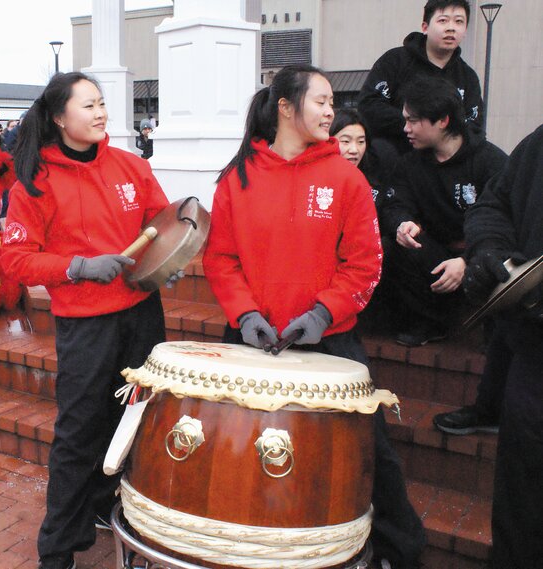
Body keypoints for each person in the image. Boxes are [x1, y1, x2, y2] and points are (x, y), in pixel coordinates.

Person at [202, 64, 426, 569]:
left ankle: (402, 553)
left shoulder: (345, 178)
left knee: (373, 454)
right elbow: (220, 258)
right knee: (241, 449)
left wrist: (325, 312)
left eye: (331, 102)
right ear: (285, 107)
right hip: (251, 340)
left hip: (330, 342)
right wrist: (244, 314)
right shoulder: (236, 179)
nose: (330, 110)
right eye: (320, 101)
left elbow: (366, 263)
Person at [0, 71, 170, 569]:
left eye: (101, 104)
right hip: (86, 324)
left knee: (139, 418)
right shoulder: (35, 182)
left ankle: (106, 505)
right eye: (88, 105)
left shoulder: (130, 166)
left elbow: (159, 224)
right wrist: (76, 266)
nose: (100, 113)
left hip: (141, 315)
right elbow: (15, 259)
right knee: (79, 431)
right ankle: (57, 548)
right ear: (58, 118)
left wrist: (171, 257)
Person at [457, 124, 543, 569]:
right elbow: (493, 204)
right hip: (532, 358)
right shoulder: (538, 144)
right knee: (521, 505)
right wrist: (492, 248)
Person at [381, 76, 506, 347]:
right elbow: (394, 204)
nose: (406, 129)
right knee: (392, 246)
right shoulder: (409, 165)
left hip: (480, 255)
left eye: (413, 121)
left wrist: (468, 260)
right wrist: (403, 223)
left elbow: (506, 223)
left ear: (443, 121)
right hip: (434, 255)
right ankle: (429, 322)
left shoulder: (491, 162)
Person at [357, 0, 481, 164]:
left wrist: (440, 137)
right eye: (443, 20)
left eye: (459, 21)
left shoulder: (468, 76)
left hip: (445, 166)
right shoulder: (394, 61)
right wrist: (417, 125)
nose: (451, 28)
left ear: (465, 30)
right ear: (425, 27)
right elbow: (369, 105)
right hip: (393, 159)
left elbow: (474, 125)